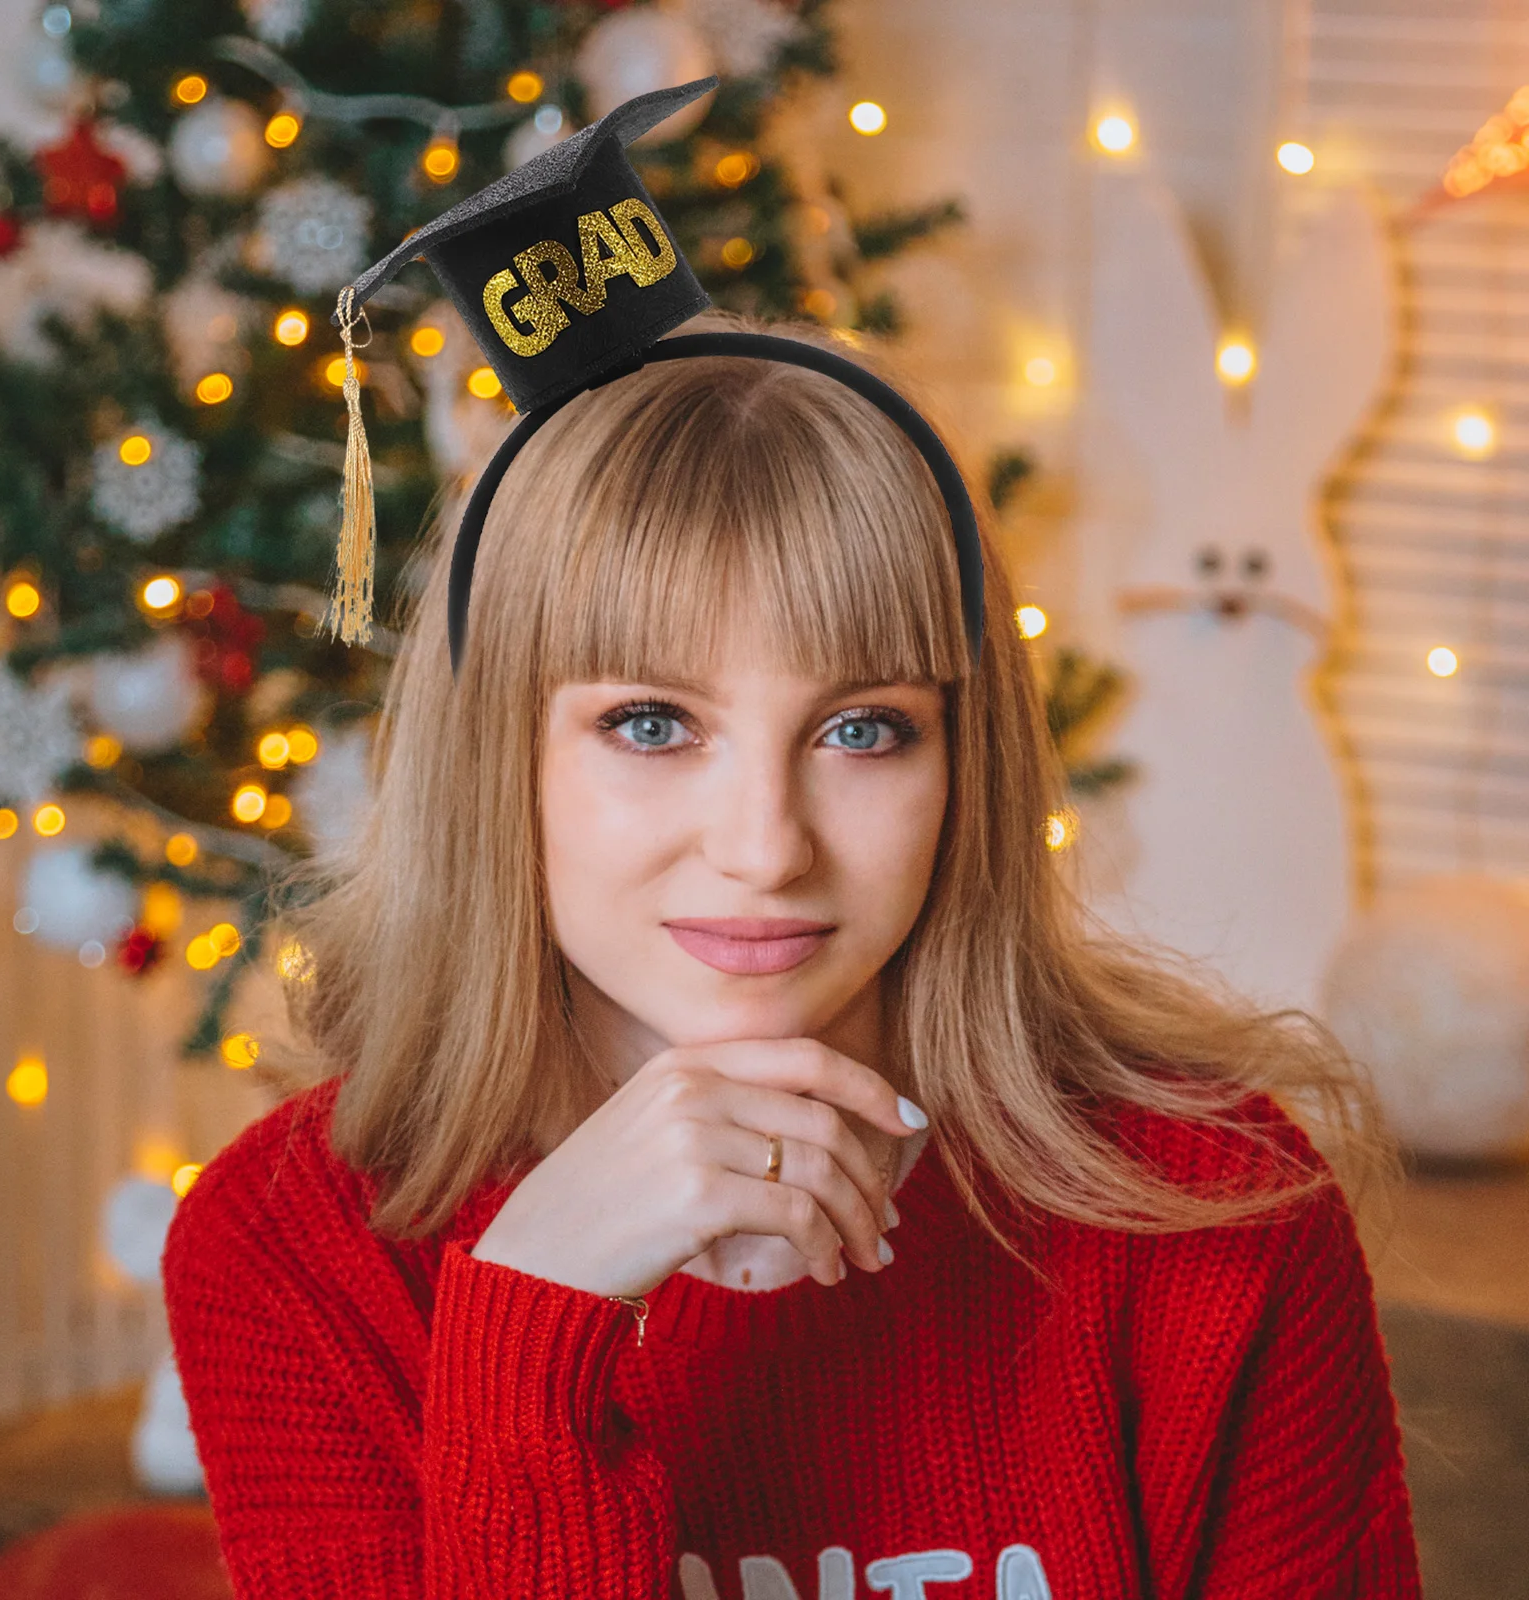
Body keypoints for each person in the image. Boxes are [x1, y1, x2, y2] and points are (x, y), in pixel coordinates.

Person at [163, 79, 1421, 1600]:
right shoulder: (296, 1251)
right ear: (499, 756)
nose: (765, 849)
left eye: (862, 729)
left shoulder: (1210, 1212)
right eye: (651, 724)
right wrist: (534, 1320)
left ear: (966, 760)